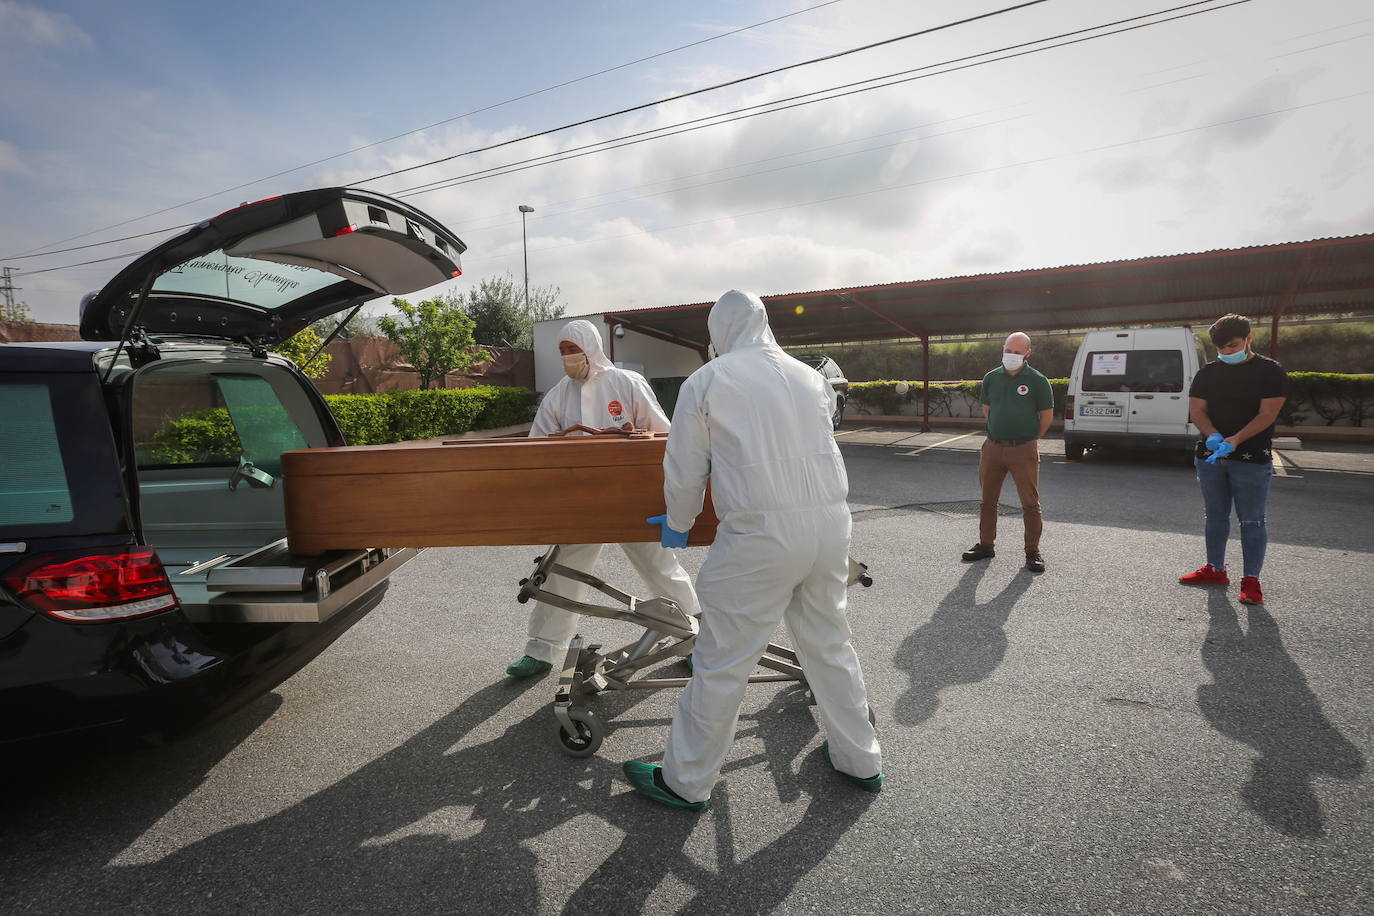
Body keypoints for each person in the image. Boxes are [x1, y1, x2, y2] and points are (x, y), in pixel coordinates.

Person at [624, 289, 883, 810]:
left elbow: (684, 468)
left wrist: (678, 523)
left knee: (722, 660)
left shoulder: (709, 380)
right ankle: (861, 759)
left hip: (760, 536)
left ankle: (685, 781)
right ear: (764, 324)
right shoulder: (811, 377)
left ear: (718, 332)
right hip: (831, 526)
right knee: (829, 643)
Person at [504, 319, 699, 678]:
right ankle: (542, 651)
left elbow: (664, 436)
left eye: (572, 350)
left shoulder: (626, 383)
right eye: (562, 351)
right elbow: (536, 446)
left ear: (591, 348)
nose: (567, 357)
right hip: (581, 501)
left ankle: (696, 642)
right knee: (564, 569)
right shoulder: (559, 393)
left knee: (661, 568)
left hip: (632, 498)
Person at [1179, 313, 1287, 605]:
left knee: (1252, 520)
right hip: (1211, 457)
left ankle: (1251, 580)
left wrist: (1235, 440)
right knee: (1214, 515)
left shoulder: (1269, 371)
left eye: (1232, 345)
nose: (1226, 352)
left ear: (1249, 338)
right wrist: (1213, 436)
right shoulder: (1208, 373)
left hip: (1251, 459)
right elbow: (1197, 410)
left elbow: (1267, 414)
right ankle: (1215, 569)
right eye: (1221, 348)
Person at [962, 332, 1054, 573]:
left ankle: (1032, 552)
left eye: (1016, 352)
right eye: (1007, 350)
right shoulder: (991, 378)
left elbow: (1046, 417)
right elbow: (987, 409)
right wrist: (999, 432)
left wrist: (1030, 439)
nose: (1010, 355)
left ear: (1027, 353)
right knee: (988, 501)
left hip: (1023, 449)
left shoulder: (1037, 380)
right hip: (993, 447)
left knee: (1030, 504)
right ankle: (985, 545)